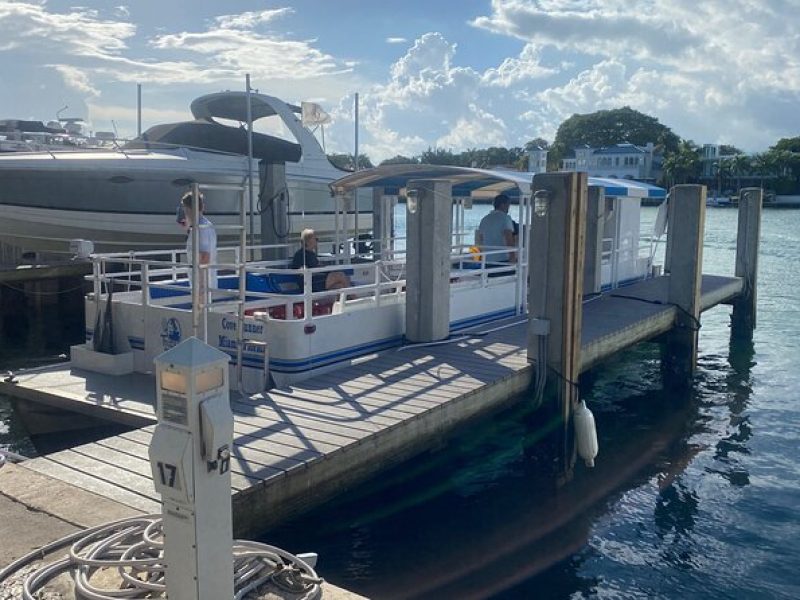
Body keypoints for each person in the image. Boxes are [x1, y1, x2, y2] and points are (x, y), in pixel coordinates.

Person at [179, 191, 217, 289]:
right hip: (202, 281)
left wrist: (201, 287)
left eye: (185, 209)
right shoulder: (204, 225)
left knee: (202, 303)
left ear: (188, 209)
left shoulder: (201, 228)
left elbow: (204, 256)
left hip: (202, 284)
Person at [476, 194, 516, 263]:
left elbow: (481, 239)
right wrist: (512, 257)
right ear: (503, 205)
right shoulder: (505, 218)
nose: (508, 208)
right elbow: (509, 239)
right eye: (508, 205)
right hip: (502, 259)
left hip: (487, 259)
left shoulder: (485, 219)